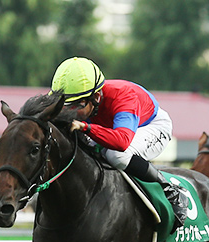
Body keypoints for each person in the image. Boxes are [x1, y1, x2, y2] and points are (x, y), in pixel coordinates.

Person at [49, 56, 188, 228]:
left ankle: (170, 190)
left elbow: (121, 142)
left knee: (116, 155)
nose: (70, 111)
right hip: (113, 128)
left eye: (76, 105)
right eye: (66, 104)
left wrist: (85, 127)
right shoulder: (83, 98)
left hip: (150, 126)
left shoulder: (123, 97)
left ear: (96, 97)